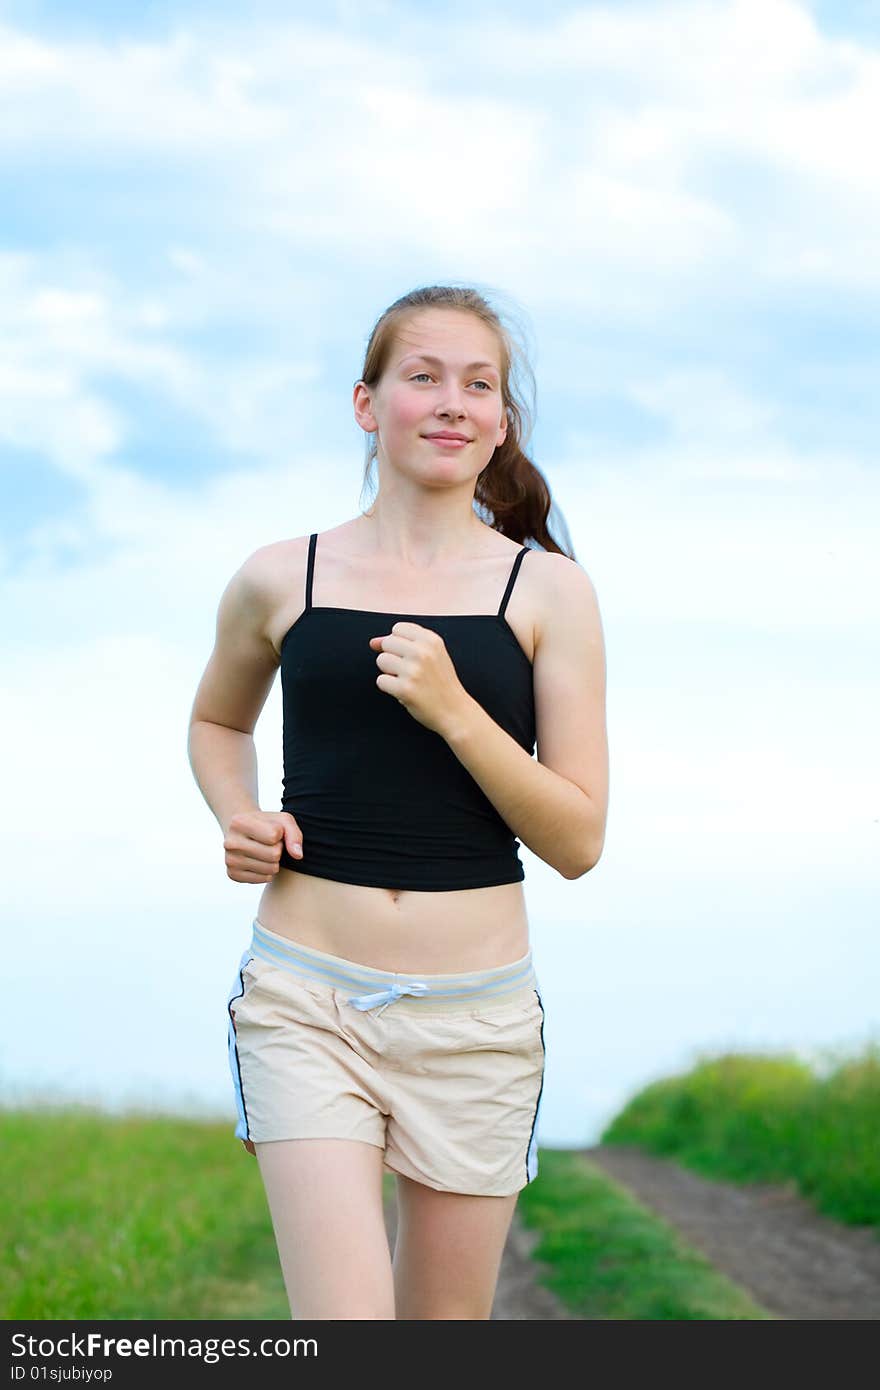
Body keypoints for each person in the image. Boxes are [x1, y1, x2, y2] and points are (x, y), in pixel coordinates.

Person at [187, 283, 609, 1320]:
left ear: (500, 421)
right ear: (367, 403)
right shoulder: (281, 576)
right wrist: (237, 814)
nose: (451, 402)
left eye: (478, 383)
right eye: (422, 376)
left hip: (478, 1022)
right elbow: (215, 725)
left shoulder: (545, 591)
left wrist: (457, 711)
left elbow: (578, 837)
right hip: (306, 1003)